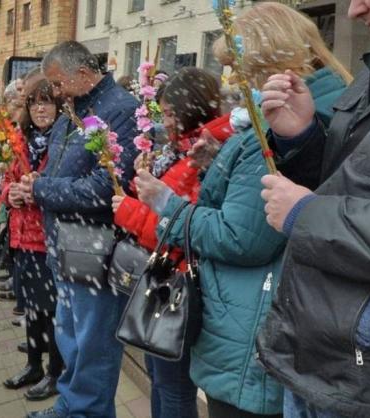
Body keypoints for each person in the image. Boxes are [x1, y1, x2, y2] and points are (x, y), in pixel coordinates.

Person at [136, 3, 350, 418]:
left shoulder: (274, 125)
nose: (232, 78)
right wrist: (221, 160)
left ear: (268, 58)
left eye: (237, 65)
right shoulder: (326, 106)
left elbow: (242, 237)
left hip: (249, 332)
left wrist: (167, 206)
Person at [256, 1, 370, 417]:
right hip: (324, 361)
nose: (354, 10)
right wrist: (302, 140)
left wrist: (307, 216)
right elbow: (356, 185)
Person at [20, 41, 139, 418]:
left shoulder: (121, 111)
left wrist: (40, 189)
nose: (54, 94)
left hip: (95, 246)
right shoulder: (76, 108)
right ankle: (71, 406)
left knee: (93, 346)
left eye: (58, 84)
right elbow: (60, 169)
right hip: (66, 242)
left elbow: (104, 190)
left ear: (84, 74)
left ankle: (86, 411)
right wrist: (35, 182)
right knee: (70, 338)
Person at [112, 67, 235, 418]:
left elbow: (176, 226)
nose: (164, 121)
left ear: (191, 110)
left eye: (169, 113)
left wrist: (129, 212)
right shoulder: (183, 150)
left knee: (174, 386)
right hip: (168, 280)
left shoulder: (203, 153)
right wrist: (143, 183)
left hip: (179, 282)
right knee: (161, 377)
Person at [2, 78, 64, 401]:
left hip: (48, 239)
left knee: (51, 309)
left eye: (47, 101)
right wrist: (10, 193)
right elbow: (8, 181)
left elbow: (69, 189)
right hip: (22, 236)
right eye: (35, 102)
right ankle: (33, 364)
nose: (41, 108)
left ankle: (55, 371)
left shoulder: (66, 141)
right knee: (31, 307)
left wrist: (38, 191)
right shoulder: (22, 140)